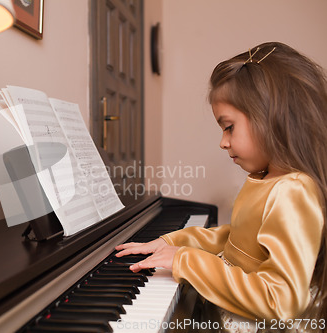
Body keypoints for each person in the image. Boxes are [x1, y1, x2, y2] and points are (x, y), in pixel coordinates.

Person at [115, 42, 327, 332]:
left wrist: (186, 261)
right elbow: (238, 241)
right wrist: (173, 242)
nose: (223, 142)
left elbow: (281, 301)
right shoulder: (269, 179)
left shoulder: (293, 191)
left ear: (273, 118)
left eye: (229, 127)